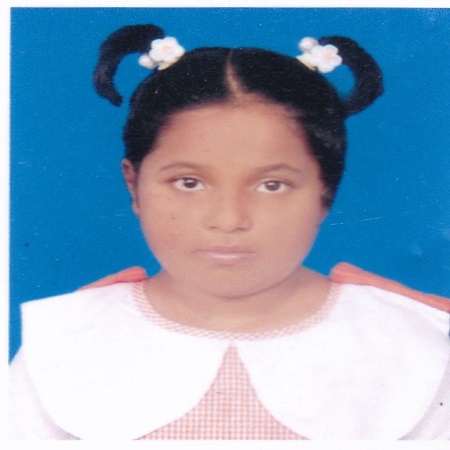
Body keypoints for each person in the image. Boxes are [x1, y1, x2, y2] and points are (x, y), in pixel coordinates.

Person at [9, 24, 450, 440]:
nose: (228, 219)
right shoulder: (65, 341)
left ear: (325, 192)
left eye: (271, 185)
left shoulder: (410, 343)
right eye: (188, 182)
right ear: (134, 185)